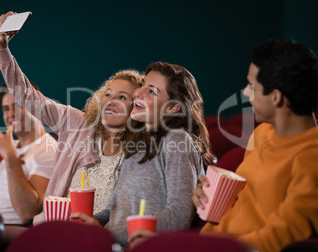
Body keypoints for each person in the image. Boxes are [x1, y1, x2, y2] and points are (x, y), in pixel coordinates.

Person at [131, 39, 318, 252]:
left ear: (276, 97)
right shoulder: (263, 133)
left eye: (251, 87)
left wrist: (192, 246)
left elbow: (281, 237)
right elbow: (244, 207)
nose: (246, 93)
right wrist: (213, 198)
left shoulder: (312, 156)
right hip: (213, 242)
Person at [0, 11, 142, 224]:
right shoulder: (77, 123)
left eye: (122, 97)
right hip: (54, 229)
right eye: (107, 94)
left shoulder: (140, 151)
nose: (111, 101)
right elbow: (26, 95)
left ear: (135, 107)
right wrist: (2, 50)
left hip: (102, 238)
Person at [71, 61, 213, 247]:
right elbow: (111, 210)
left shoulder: (177, 140)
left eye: (151, 91)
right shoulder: (137, 144)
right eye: (142, 85)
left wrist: (107, 234)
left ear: (172, 108)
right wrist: (91, 224)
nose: (138, 93)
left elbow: (179, 215)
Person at [0, 83, 57, 226]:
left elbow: (27, 213)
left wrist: (10, 157)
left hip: (9, 231)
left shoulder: (48, 148)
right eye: (6, 109)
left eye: (18, 106)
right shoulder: (5, 146)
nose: (11, 114)